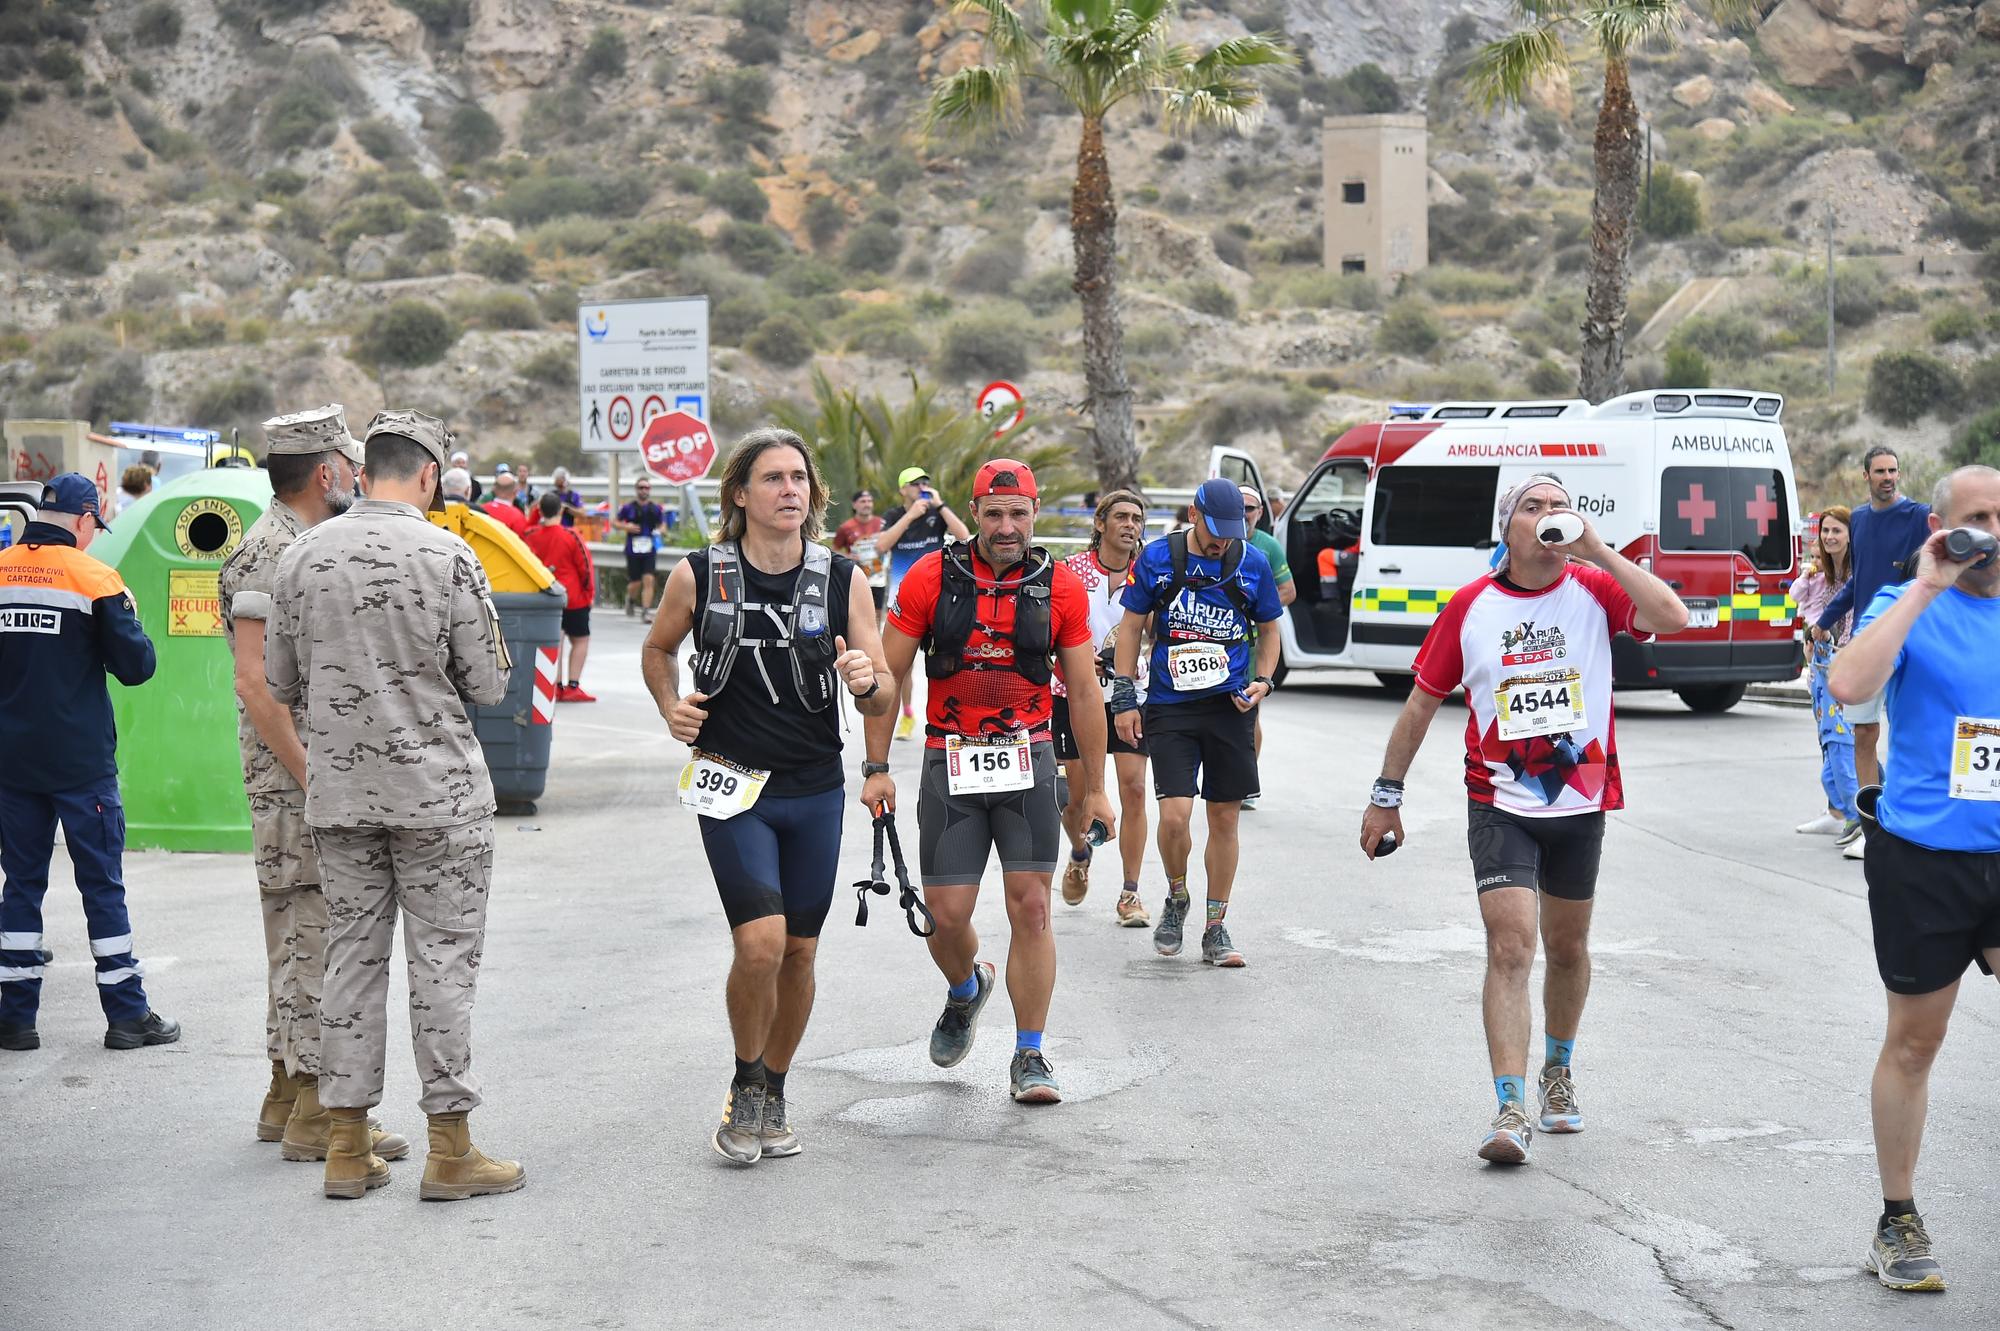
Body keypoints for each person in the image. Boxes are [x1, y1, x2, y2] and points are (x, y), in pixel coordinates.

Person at [1358, 473, 1688, 1166]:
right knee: (1512, 945)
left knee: (1567, 948)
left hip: (1581, 801)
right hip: (1501, 801)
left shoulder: (1596, 591)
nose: (1547, 516)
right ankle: (1509, 1105)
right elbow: (1420, 704)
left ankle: (1557, 1071)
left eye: (1559, 505)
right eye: (1532, 506)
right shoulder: (1471, 607)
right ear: (1507, 527)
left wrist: (1599, 547)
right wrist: (1387, 794)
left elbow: (1673, 617)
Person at [268, 409, 522, 1203]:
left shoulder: (301, 555)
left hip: (339, 796)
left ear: (362, 467)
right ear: (429, 475)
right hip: (438, 797)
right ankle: (450, 1148)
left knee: (350, 959)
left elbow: (278, 685)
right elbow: (489, 683)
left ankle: (346, 1144)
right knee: (440, 964)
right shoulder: (449, 555)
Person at [642, 428, 893, 1164]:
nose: (791, 490)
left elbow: (881, 693)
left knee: (801, 952)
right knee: (760, 944)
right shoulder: (700, 575)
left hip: (814, 787)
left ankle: (773, 1086)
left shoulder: (843, 578)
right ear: (739, 494)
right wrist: (670, 707)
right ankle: (745, 1076)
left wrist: (867, 682)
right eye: (774, 477)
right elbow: (658, 648)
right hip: (731, 783)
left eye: (800, 478)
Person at [862, 459, 1113, 1105]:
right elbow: (888, 679)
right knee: (945, 919)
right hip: (952, 758)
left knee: (1032, 907)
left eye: (1019, 513)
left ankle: (1029, 1054)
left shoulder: (1058, 587)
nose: (1007, 526)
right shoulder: (929, 577)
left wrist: (1095, 789)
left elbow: (1084, 690)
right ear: (973, 512)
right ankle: (967, 989)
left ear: (1035, 513)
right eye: (994, 513)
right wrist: (877, 766)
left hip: (1027, 758)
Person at [219, 406, 412, 1166]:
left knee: (301, 932)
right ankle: (321, 1113)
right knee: (315, 937)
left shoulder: (294, 542)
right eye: (350, 463)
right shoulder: (273, 551)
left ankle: (284, 1092)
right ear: (328, 471)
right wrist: (314, 774)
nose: (359, 475)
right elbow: (256, 685)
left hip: (299, 771)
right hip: (293, 775)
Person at [1829, 464, 2000, 1293]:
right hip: (1924, 860)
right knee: (1915, 1040)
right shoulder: (1912, 607)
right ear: (1941, 523)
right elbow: (1849, 685)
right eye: (1975, 517)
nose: (1991, 531)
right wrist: (1926, 584)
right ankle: (1897, 1219)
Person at [0, 473, 178, 1053]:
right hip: (80, 766)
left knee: (20, 887)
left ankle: (15, 1019)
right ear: (82, 521)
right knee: (101, 885)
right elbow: (137, 666)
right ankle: (127, 1016)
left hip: (11, 761)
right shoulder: (95, 577)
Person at [1110, 479, 1283, 968]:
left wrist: (1264, 681)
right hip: (1170, 706)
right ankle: (1176, 896)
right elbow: (1130, 627)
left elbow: (1269, 629)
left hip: (1230, 708)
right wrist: (1125, 695)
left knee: (1224, 818)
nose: (1222, 541)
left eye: (1232, 531)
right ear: (1193, 513)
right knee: (1174, 816)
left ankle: (1215, 925)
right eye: (1215, 529)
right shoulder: (1157, 558)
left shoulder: (1252, 562)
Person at [1816, 447, 1932, 860]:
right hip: (1866, 644)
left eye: (1894, 470)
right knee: (1863, 736)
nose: (1889, 477)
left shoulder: (1921, 516)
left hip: (1911, 643)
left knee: (1911, 734)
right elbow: (1856, 580)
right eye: (1880, 471)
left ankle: (1910, 821)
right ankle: (1871, 827)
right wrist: (1824, 620)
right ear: (1865, 475)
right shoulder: (1859, 520)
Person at [1052, 489, 1153, 927]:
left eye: (1137, 518)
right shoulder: (1070, 571)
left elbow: (1161, 629)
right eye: (1122, 517)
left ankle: (1130, 893)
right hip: (1074, 693)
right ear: (1100, 524)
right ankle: (1079, 855)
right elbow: (1049, 629)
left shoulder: (1150, 573)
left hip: (1131, 695)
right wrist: (1072, 659)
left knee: (1133, 790)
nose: (1130, 525)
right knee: (1077, 797)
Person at [878, 467, 971, 740]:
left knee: (948, 658)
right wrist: (910, 516)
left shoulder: (937, 514)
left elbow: (964, 536)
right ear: (903, 490)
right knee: (902, 666)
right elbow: (882, 545)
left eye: (925, 482)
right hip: (903, 598)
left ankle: (953, 715)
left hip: (938, 598)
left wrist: (940, 505)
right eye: (915, 483)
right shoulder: (895, 516)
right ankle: (907, 714)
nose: (922, 487)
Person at [1793, 508, 1858, 840]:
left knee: (1841, 739)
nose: (1830, 537)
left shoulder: (1856, 570)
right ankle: (1838, 810)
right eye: (1826, 532)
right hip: (1820, 662)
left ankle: (1860, 813)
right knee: (1828, 738)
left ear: (1851, 534)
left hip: (1843, 661)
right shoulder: (1824, 571)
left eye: (1837, 531)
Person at [1239, 484, 1297, 811]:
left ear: (1260, 514)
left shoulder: (1268, 546)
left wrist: (1258, 608)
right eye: (1240, 507)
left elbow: (1288, 590)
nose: (1245, 513)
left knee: (1250, 711)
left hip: (1250, 645)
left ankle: (1248, 781)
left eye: (1251, 508)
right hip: (1215, 643)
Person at [521, 491, 596, 703]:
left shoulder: (529, 535)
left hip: (544, 596)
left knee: (556, 639)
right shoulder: (571, 535)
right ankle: (572, 686)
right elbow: (585, 568)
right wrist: (589, 594)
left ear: (539, 510)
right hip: (573, 596)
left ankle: (555, 685)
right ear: (561, 510)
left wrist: (535, 514)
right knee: (580, 639)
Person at [831, 488, 889, 619]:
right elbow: (834, 549)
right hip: (857, 574)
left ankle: (876, 638)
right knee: (858, 612)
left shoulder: (881, 523)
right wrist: (849, 557)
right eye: (863, 501)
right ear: (854, 505)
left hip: (878, 575)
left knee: (878, 613)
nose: (867, 504)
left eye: (869, 501)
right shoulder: (846, 527)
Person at [616, 478, 668, 622]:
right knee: (635, 582)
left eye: (646, 488)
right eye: (641, 487)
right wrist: (626, 527)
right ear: (636, 489)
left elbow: (663, 525)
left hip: (649, 549)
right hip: (632, 549)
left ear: (649, 490)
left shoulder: (655, 508)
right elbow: (614, 522)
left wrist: (660, 531)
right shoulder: (628, 508)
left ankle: (645, 612)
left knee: (649, 579)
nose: (643, 490)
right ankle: (631, 600)